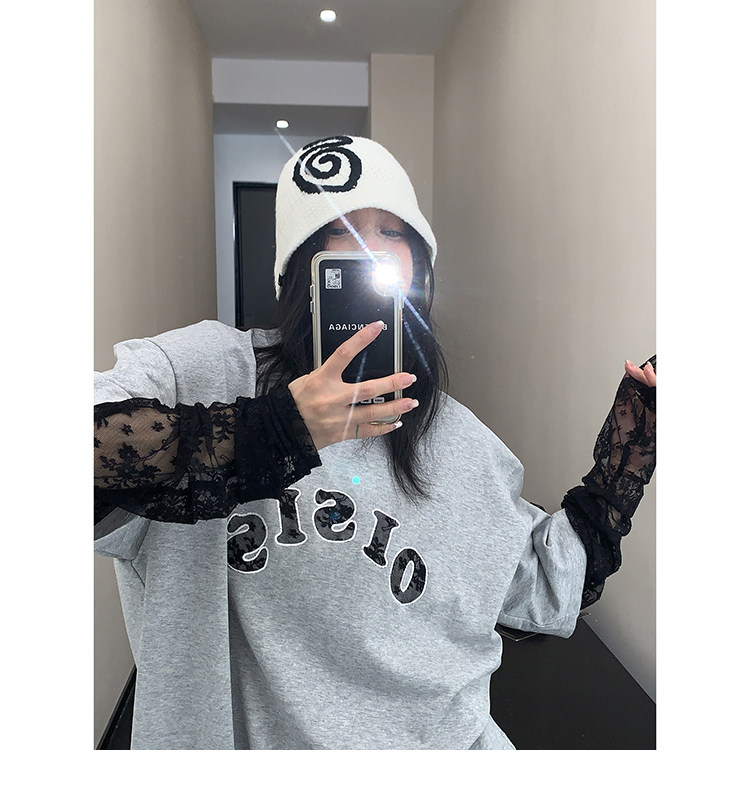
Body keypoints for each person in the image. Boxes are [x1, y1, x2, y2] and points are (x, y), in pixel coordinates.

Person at [94, 135, 656, 749]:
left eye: (393, 233)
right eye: (338, 232)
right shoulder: (200, 374)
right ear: (300, 268)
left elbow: (546, 588)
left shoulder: (456, 437)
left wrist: (632, 442)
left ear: (418, 268)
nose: (370, 251)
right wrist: (276, 428)